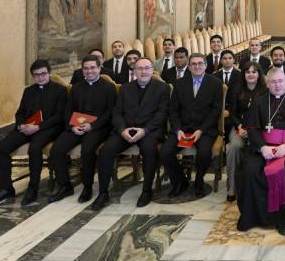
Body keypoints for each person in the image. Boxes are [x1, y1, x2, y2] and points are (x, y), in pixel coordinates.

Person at [235, 68, 285, 236]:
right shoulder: (259, 102)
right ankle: (250, 217)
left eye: (280, 81)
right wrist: (262, 147)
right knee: (249, 172)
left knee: (282, 172)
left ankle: (281, 219)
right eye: (273, 82)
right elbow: (252, 128)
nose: (277, 85)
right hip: (262, 147)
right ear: (267, 84)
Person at [91, 57, 169, 210]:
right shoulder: (125, 88)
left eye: (147, 68)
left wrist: (145, 130)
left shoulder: (163, 88)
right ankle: (103, 193)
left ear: (152, 70)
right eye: (139, 68)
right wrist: (122, 130)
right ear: (134, 71)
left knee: (149, 150)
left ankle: (146, 191)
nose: (143, 71)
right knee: (106, 150)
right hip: (126, 130)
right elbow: (117, 113)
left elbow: (162, 114)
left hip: (149, 131)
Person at [0, 60, 67, 206]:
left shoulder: (60, 90)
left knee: (34, 148)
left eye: (43, 74)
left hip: (48, 128)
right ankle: (6, 189)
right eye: (36, 75)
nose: (40, 77)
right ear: (33, 76)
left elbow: (59, 116)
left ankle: (33, 189)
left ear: (49, 73)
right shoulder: (28, 91)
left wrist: (38, 127)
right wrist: (21, 125)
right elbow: (20, 112)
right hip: (27, 127)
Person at [49, 55, 117, 203]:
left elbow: (110, 113)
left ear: (99, 68)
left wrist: (92, 126)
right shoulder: (77, 87)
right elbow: (68, 110)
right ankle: (65, 186)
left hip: (98, 128)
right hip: (76, 126)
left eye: (93, 67)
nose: (89, 71)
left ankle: (87, 186)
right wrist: (72, 127)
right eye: (85, 68)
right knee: (57, 150)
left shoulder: (109, 88)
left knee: (87, 150)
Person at [160, 53, 224, 198]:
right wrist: (177, 130)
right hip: (182, 128)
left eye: (200, 63)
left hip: (205, 129)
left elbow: (215, 111)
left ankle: (199, 181)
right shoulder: (180, 83)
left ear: (205, 65)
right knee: (165, 152)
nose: (197, 66)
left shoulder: (215, 83)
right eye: (193, 64)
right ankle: (179, 182)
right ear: (188, 66)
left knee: (204, 153)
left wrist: (201, 130)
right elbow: (173, 109)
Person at [225, 61, 267, 201]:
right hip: (240, 127)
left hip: (259, 129)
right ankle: (232, 186)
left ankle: (260, 184)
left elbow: (266, 114)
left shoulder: (265, 90)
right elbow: (232, 113)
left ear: (259, 74)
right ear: (243, 74)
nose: (250, 74)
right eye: (247, 72)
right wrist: (239, 126)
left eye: (254, 72)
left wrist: (252, 130)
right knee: (234, 147)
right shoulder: (236, 89)